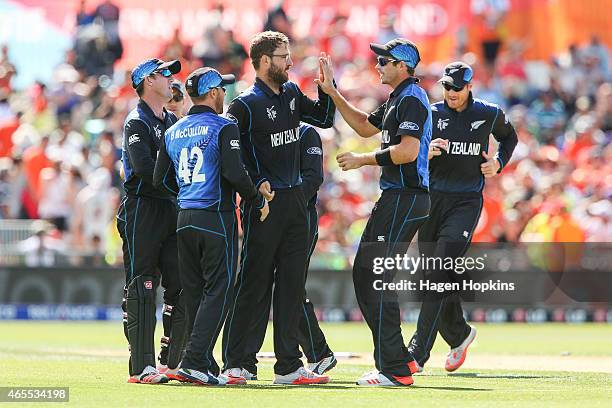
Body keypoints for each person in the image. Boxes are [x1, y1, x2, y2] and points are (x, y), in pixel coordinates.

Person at [221, 30, 335, 385]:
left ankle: (288, 366)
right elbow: (232, 157)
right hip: (264, 204)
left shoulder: (290, 92)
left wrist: (328, 90)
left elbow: (324, 119)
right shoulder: (243, 105)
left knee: (291, 287)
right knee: (253, 285)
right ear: (265, 60)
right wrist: (255, 190)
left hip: (295, 204)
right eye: (283, 56)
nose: (289, 61)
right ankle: (237, 364)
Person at [317, 38, 431, 386]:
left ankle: (394, 368)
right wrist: (334, 94)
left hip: (405, 196)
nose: (378, 65)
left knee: (373, 276)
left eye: (384, 60)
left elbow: (408, 151)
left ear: (402, 65)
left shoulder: (411, 99)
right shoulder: (400, 97)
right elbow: (367, 127)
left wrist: (363, 159)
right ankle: (399, 360)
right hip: (400, 197)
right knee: (368, 274)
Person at [153, 67, 270, 386]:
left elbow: (160, 179)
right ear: (215, 92)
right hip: (215, 215)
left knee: (194, 292)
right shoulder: (223, 126)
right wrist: (256, 200)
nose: (225, 94)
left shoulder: (173, 130)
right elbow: (234, 171)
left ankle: (200, 361)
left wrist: (186, 196)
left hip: (185, 217)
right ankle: (193, 361)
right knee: (218, 289)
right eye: (222, 89)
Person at [407, 61, 517, 373]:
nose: (451, 93)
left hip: (466, 201)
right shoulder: (431, 113)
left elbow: (510, 138)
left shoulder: (488, 112)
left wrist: (498, 162)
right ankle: (459, 334)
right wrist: (426, 152)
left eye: (457, 87)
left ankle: (416, 354)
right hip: (432, 201)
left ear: (469, 86)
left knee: (440, 271)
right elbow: (412, 150)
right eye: (447, 87)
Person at [116, 57, 186, 384]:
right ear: (147, 81)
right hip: (142, 208)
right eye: (163, 73)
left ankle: (171, 360)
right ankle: (140, 366)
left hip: (168, 207)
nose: (171, 77)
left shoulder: (169, 119)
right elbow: (144, 169)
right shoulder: (137, 121)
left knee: (180, 283)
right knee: (143, 284)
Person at [296, 123, 337, 374]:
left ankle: (319, 352)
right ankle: (317, 352)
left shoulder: (305, 132)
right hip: (287, 217)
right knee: (287, 286)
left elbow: (313, 179)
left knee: (290, 286)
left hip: (301, 216)